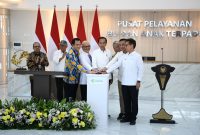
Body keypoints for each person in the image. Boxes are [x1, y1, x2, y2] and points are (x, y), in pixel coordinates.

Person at [105, 38, 143, 125]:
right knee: (126, 101)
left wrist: (138, 81)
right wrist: (105, 71)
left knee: (134, 101)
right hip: (124, 83)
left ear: (132, 45)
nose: (125, 47)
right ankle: (127, 116)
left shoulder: (137, 56)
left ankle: (133, 118)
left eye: (126, 45)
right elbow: (116, 65)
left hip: (133, 83)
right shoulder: (123, 56)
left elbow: (141, 69)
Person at [103, 39, 127, 120]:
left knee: (129, 97)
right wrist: (105, 69)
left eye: (119, 46)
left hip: (131, 80)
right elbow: (112, 63)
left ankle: (130, 113)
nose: (118, 48)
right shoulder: (117, 54)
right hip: (120, 79)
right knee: (121, 96)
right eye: (116, 47)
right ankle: (123, 112)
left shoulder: (131, 54)